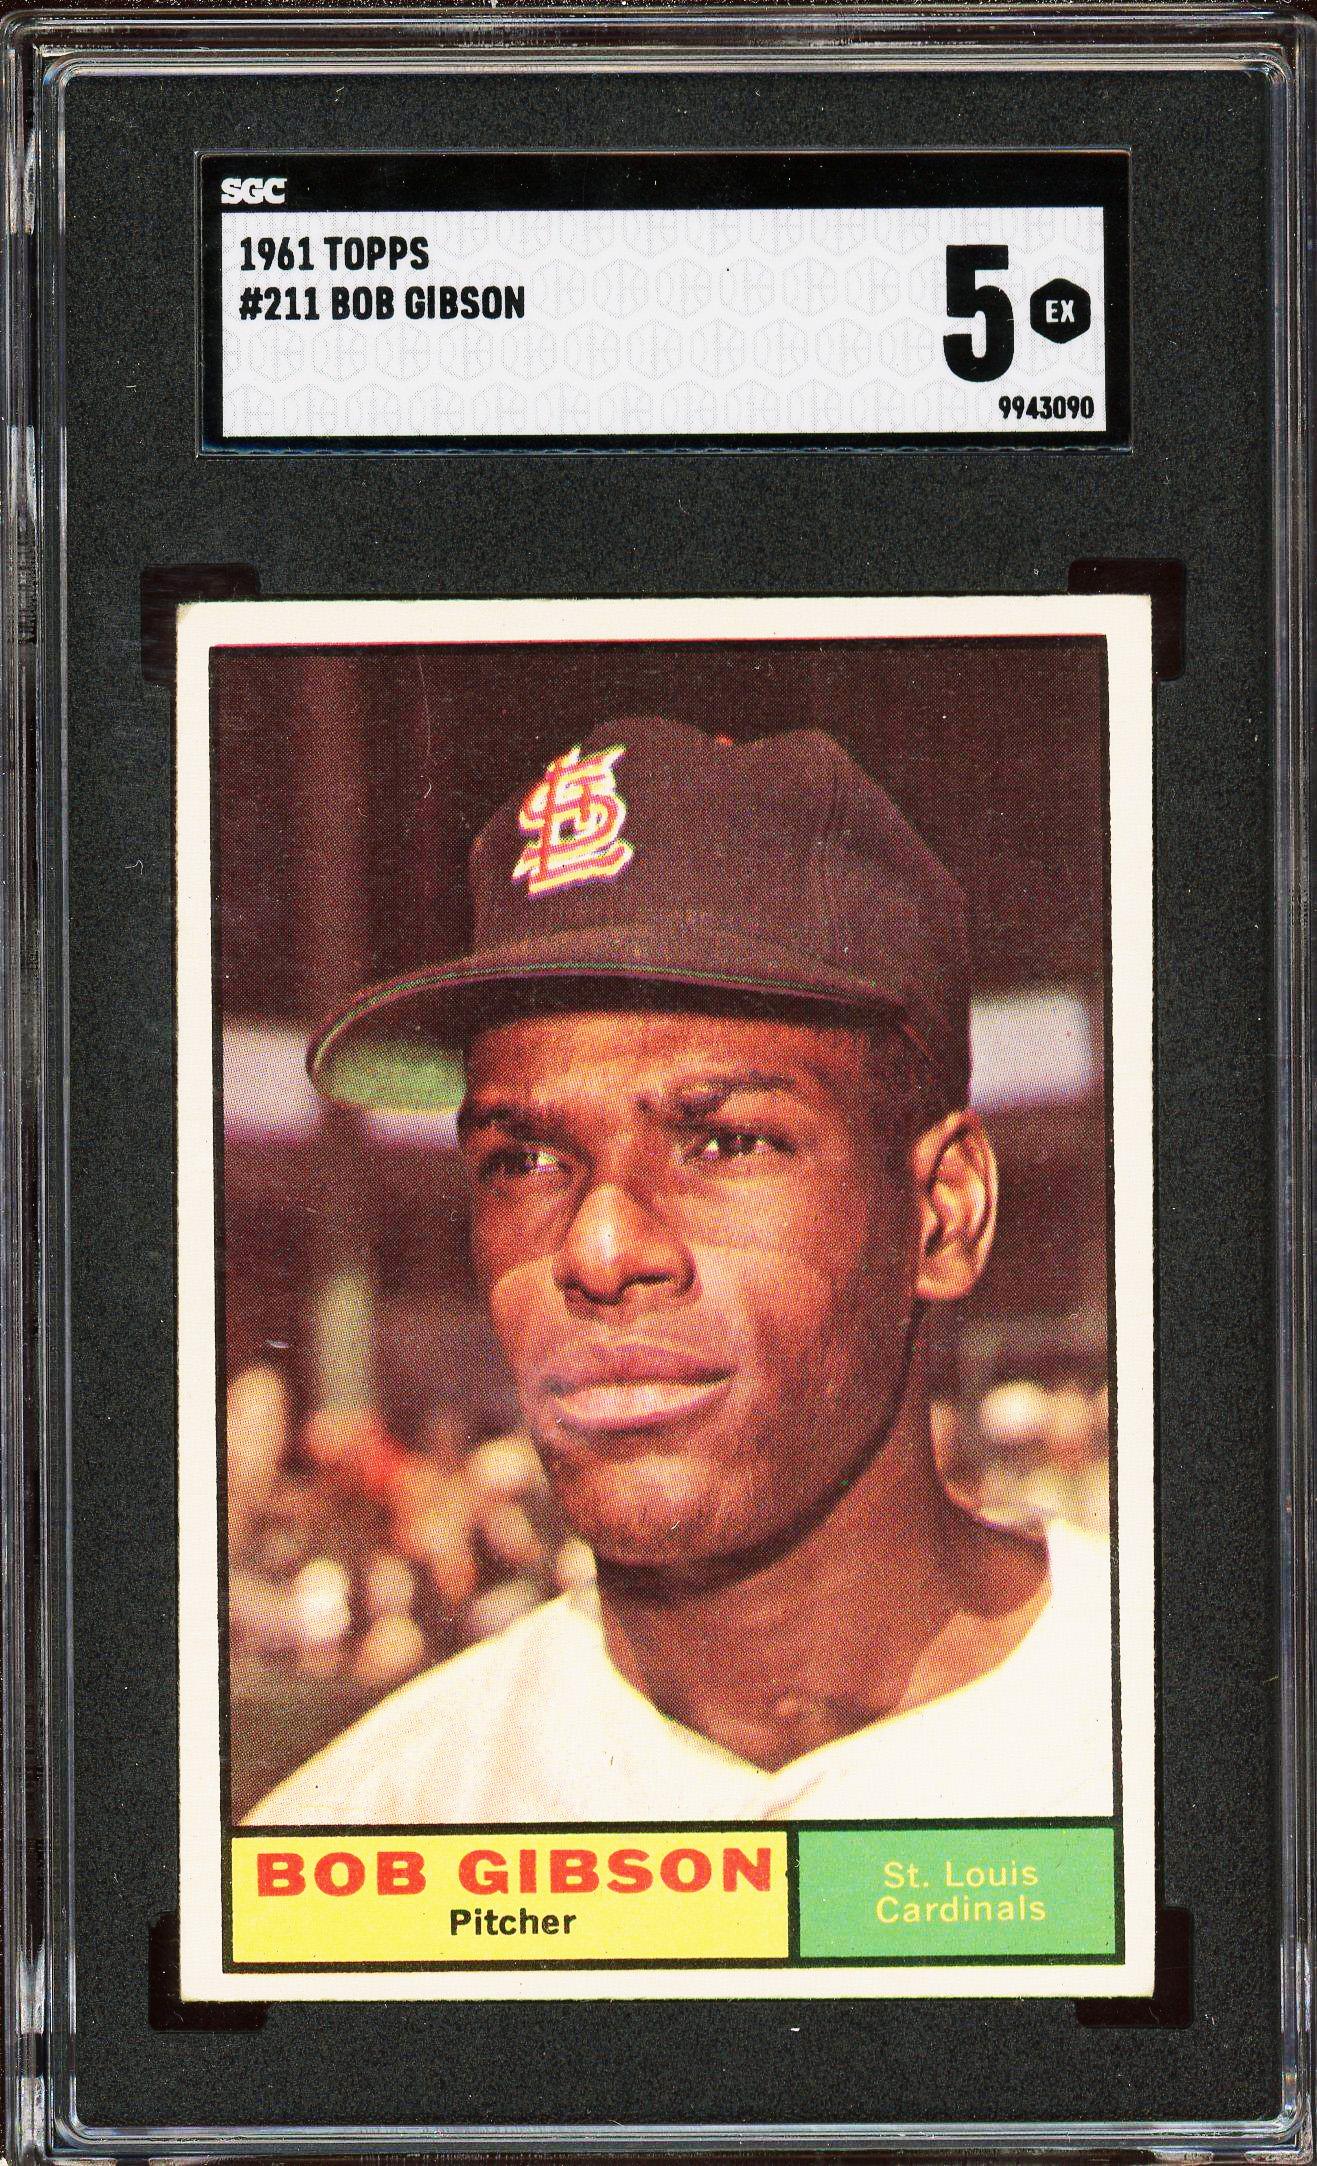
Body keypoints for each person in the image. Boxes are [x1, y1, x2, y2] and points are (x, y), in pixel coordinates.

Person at [249, 715, 1112, 1823]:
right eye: (523, 1161)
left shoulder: (1200, 1743)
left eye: (727, 1142)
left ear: (942, 1214)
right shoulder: (363, 1836)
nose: (599, 1250)